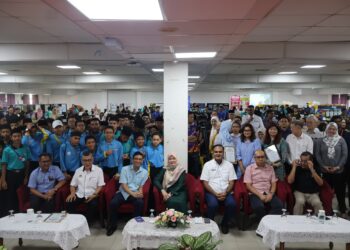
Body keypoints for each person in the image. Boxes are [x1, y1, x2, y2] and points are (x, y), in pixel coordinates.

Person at [106, 152, 148, 236]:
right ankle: (112, 226)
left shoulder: (144, 172)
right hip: (123, 192)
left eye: (140, 159)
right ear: (132, 160)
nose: (137, 161)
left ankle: (134, 226)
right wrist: (133, 194)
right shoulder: (124, 169)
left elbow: (141, 186)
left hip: (135, 192)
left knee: (140, 203)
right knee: (113, 203)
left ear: (142, 161)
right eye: (136, 159)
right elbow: (123, 185)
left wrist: (140, 192)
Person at [200, 144, 237, 234]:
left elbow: (232, 181)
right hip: (211, 192)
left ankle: (224, 223)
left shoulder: (229, 165)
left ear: (223, 153)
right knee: (213, 205)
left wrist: (226, 192)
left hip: (226, 192)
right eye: (216, 152)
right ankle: (210, 224)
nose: (218, 153)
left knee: (232, 204)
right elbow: (205, 182)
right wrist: (215, 193)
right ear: (213, 153)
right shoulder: (207, 165)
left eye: (220, 152)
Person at [315, 122, 348, 216]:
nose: (332, 131)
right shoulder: (320, 141)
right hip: (324, 171)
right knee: (325, 193)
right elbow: (317, 155)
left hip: (338, 171)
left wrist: (338, 167)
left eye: (334, 129)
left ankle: (343, 210)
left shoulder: (341, 140)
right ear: (326, 129)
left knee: (340, 192)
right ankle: (326, 211)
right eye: (330, 129)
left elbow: (344, 155)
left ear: (336, 130)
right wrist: (323, 166)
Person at [244, 150, 283, 222]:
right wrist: (260, 195)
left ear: (265, 157)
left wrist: (271, 194)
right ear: (254, 158)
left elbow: (274, 183)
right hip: (255, 193)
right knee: (259, 207)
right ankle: (266, 223)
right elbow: (248, 185)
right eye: (258, 157)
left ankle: (266, 222)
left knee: (279, 206)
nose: (261, 159)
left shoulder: (270, 168)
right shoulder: (249, 168)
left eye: (262, 157)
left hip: (268, 192)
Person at [66, 151, 105, 223]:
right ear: (82, 161)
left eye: (89, 160)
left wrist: (94, 194)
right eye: (85, 160)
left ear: (92, 160)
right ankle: (75, 222)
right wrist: (72, 193)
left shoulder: (99, 170)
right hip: (80, 194)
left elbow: (100, 185)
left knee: (93, 205)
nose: (87, 163)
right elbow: (72, 185)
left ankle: (87, 223)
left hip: (92, 194)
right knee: (69, 202)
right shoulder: (78, 170)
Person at [1, 128, 31, 211]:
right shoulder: (7, 150)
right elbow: (4, 165)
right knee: (11, 195)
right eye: (14, 136)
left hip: (21, 174)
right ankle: (12, 212)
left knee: (22, 194)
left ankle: (21, 211)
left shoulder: (26, 149)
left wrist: (26, 177)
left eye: (18, 136)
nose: (17, 138)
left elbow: (27, 164)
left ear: (21, 137)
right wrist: (3, 180)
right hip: (10, 174)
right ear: (11, 137)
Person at [188, 112, 201, 178]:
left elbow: (196, 138)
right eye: (190, 117)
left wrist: (187, 138)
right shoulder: (182, 127)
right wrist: (189, 138)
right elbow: (182, 138)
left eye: (193, 117)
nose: (192, 118)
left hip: (195, 150)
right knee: (187, 168)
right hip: (185, 150)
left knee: (196, 168)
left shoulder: (196, 127)